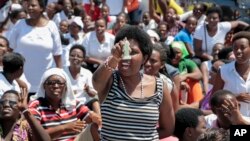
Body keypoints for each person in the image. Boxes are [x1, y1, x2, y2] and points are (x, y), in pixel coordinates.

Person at [92, 26, 175, 140]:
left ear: (144, 58)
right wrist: (114, 58)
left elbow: (168, 128)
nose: (126, 57)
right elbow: (96, 82)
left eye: (133, 52)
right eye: (123, 51)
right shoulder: (109, 81)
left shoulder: (159, 86)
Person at [29, 68, 101, 141]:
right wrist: (64, 128)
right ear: (44, 86)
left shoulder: (72, 103)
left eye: (59, 83)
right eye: (51, 83)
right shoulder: (36, 106)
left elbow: (88, 116)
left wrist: (93, 117)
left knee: (94, 127)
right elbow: (35, 137)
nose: (56, 86)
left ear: (65, 87)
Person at [8, 0, 63, 94]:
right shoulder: (20, 24)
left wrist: (60, 75)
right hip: (20, 80)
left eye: (33, 5)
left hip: (45, 82)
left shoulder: (52, 26)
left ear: (41, 8)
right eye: (28, 5)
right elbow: (9, 50)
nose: (30, 8)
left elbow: (57, 55)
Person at [212, 31, 250, 116]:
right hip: (231, 121)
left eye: (243, 47)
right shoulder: (223, 71)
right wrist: (234, 98)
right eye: (235, 48)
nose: (238, 51)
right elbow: (214, 99)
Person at [63, 44, 100, 115]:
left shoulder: (87, 73)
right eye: (72, 55)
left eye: (79, 56)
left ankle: (99, 123)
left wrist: (89, 91)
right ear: (68, 57)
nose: (75, 58)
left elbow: (94, 94)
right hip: (67, 103)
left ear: (83, 59)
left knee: (95, 102)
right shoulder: (62, 72)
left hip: (84, 105)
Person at [144, 43, 179, 112]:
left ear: (162, 65)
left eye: (153, 61)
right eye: (146, 59)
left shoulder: (169, 85)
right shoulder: (133, 79)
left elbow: (173, 112)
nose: (147, 63)